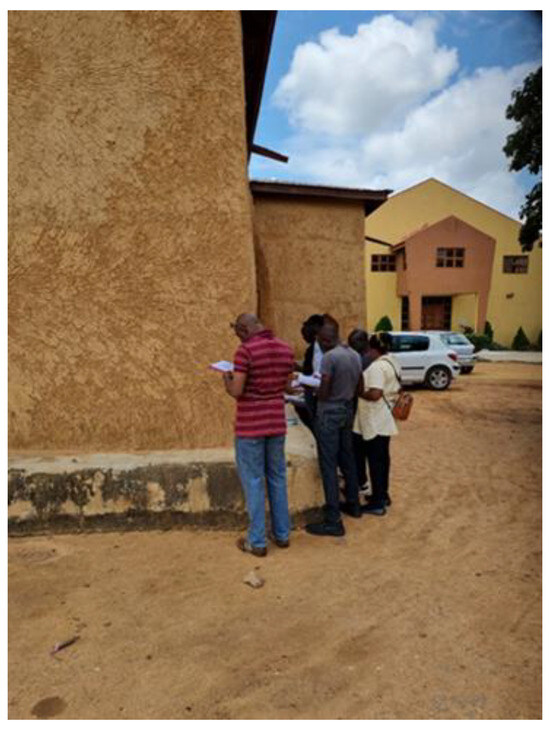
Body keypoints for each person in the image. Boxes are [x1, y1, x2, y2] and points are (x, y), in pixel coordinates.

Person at [222, 313, 294, 556]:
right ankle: (282, 534)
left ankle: (257, 541)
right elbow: (288, 386)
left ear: (244, 330)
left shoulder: (245, 351)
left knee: (253, 482)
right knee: (277, 478)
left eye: (238, 334)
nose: (238, 338)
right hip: (276, 423)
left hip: (250, 425)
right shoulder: (285, 349)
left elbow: (237, 390)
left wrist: (227, 379)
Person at [305, 322, 363, 537]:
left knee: (328, 464)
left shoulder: (329, 358)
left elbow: (324, 392)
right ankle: (354, 504)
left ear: (325, 340)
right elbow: (360, 387)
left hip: (329, 413)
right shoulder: (354, 355)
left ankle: (333, 519)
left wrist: (313, 390)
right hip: (347, 410)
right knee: (347, 458)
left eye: (319, 340)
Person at [353, 333, 400, 515]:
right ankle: (382, 495)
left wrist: (358, 392)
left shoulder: (377, 367)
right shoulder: (392, 362)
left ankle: (378, 504)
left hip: (374, 420)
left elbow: (375, 394)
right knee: (382, 460)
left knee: (375, 462)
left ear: (372, 349)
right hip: (384, 418)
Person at [347, 328, 375, 492]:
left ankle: (361, 482)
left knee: (359, 449)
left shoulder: (364, 361)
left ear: (363, 342)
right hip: (365, 410)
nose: (351, 347)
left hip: (363, 410)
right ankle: (362, 481)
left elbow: (358, 387)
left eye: (353, 343)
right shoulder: (364, 358)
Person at [293, 314, 324, 432]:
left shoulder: (317, 349)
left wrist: (298, 376)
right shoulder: (314, 348)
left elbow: (316, 376)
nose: (303, 338)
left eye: (304, 335)